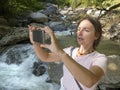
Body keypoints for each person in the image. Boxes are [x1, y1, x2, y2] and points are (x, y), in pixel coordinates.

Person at [28, 16, 107, 90]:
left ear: (96, 35)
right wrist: (36, 44)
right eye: (79, 29)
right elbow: (46, 57)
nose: (79, 33)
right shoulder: (70, 51)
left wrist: (61, 53)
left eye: (86, 30)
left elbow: (89, 82)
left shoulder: (99, 58)